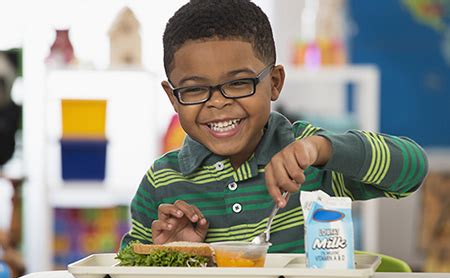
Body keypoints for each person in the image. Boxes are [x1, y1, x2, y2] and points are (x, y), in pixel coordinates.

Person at [120, 0, 428, 253]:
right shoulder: (162, 183)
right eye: (194, 89)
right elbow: (130, 275)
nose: (217, 102)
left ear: (274, 83)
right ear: (173, 98)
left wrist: (321, 149)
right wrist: (168, 254)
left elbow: (412, 170)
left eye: (239, 83)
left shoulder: (310, 159)